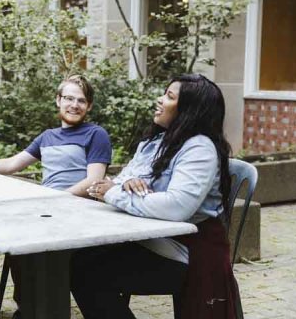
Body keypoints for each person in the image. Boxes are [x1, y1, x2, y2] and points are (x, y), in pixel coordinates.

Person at [74, 74, 240, 319]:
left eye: (169, 97)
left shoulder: (199, 148)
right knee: (79, 259)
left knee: (86, 272)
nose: (160, 100)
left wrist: (114, 194)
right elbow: (115, 182)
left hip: (189, 250)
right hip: (155, 236)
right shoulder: (158, 140)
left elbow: (176, 207)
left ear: (189, 110)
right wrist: (127, 184)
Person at [0, 74, 112, 318]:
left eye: (81, 100)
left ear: (88, 106)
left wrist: (54, 198)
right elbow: (13, 164)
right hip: (46, 210)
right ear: (58, 101)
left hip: (77, 211)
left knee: (24, 240)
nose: (74, 105)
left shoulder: (96, 134)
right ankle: (23, 307)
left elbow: (93, 180)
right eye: (69, 98)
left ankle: (35, 310)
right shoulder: (47, 137)